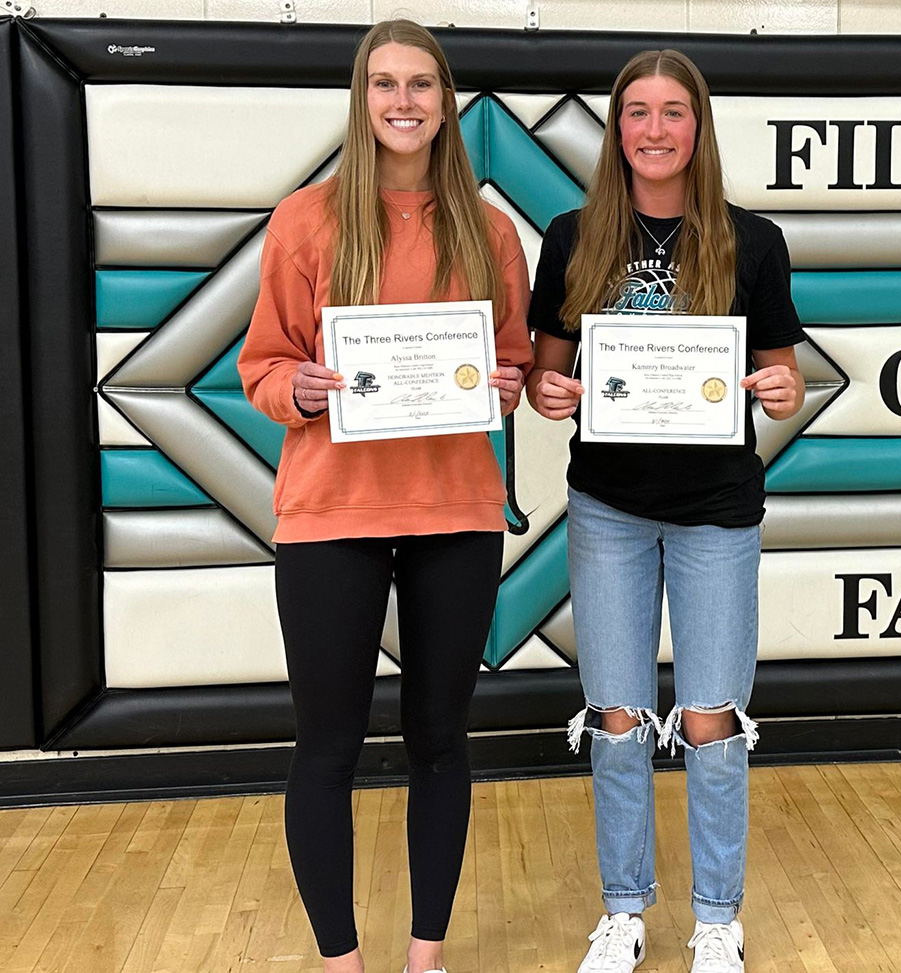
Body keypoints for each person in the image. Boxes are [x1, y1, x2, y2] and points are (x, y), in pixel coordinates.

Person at [238, 20, 531, 973]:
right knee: (326, 746)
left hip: (455, 514)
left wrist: (507, 383)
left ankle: (425, 956)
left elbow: (515, 359)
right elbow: (262, 367)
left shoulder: (490, 233)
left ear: (446, 103)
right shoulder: (305, 220)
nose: (403, 102)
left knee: (440, 741)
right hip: (332, 517)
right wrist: (300, 389)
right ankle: (340, 960)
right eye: (383, 85)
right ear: (361, 101)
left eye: (420, 85)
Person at [526, 48, 805, 973]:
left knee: (714, 714)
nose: (653, 129)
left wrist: (774, 389)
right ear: (617, 130)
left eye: (673, 112)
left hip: (716, 511)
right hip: (607, 505)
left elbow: (787, 377)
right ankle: (623, 910)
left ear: (698, 127)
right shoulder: (571, 235)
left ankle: (717, 917)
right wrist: (549, 392)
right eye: (636, 112)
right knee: (614, 712)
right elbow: (545, 370)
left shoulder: (752, 241)